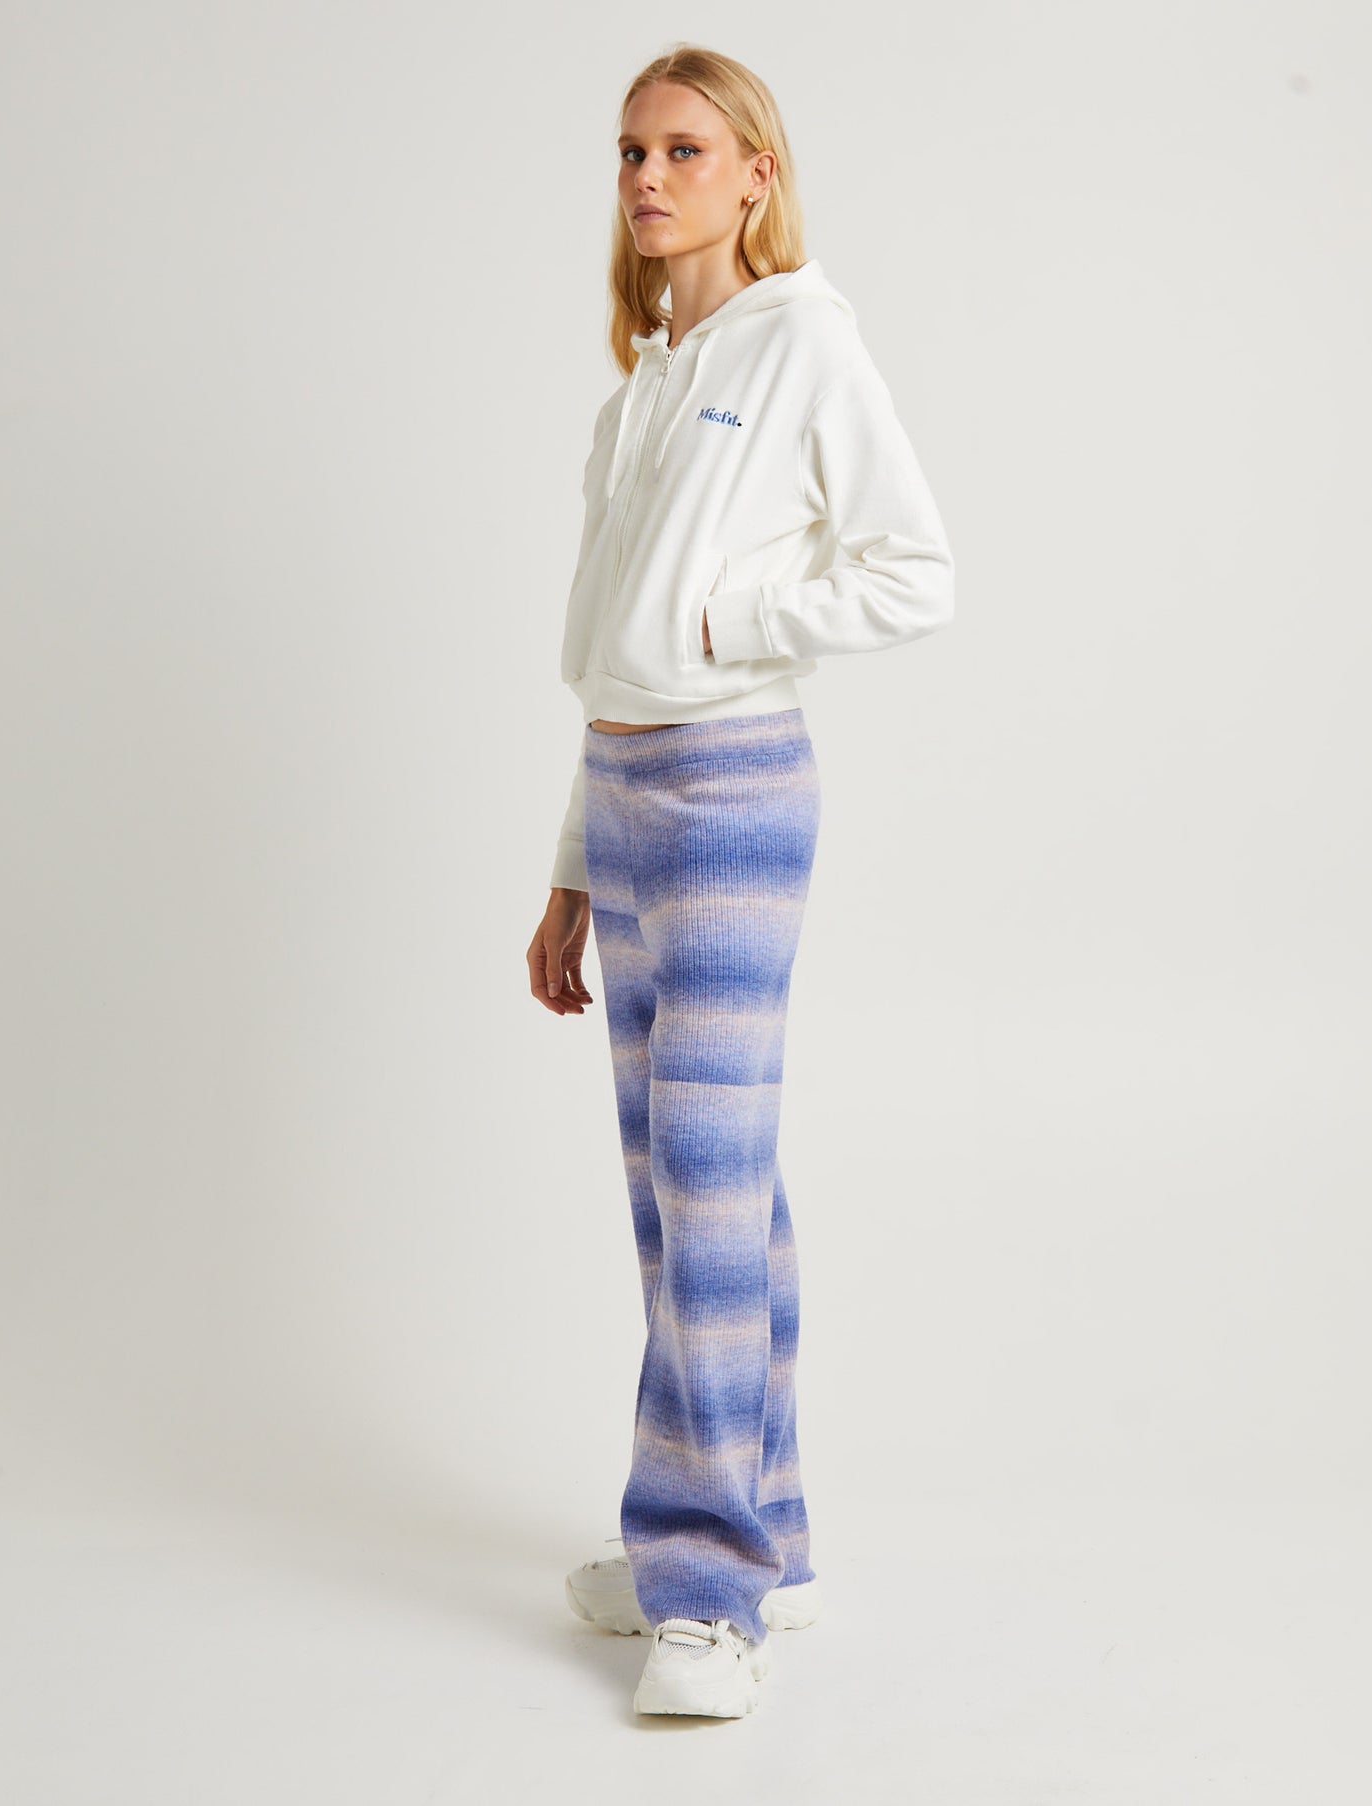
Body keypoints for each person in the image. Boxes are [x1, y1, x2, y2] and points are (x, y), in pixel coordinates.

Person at [524, 44, 955, 1719]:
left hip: (728, 792)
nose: (648, 178)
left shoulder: (801, 342)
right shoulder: (645, 383)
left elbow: (911, 569)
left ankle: (703, 1591)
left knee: (707, 1181)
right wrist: (570, 864)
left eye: (684, 150)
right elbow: (604, 659)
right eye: (630, 151)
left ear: (753, 174)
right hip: (628, 794)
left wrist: (731, 622)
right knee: (689, 1186)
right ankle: (764, 1535)